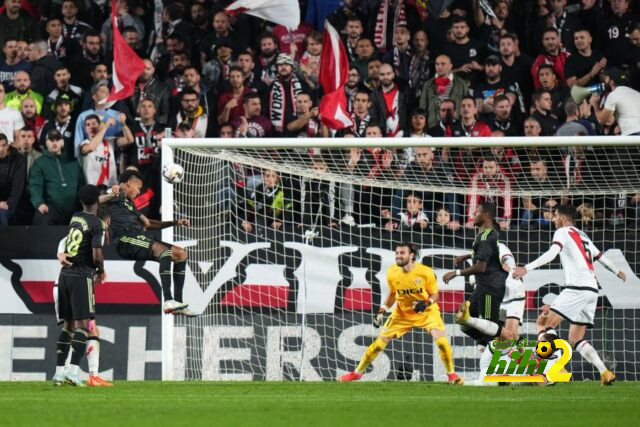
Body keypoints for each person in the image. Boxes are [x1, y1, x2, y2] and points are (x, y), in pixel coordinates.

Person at [513, 204, 627, 385]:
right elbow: (600, 257)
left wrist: (526, 268)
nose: (553, 219)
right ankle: (605, 372)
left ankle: (553, 368)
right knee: (575, 339)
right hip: (592, 290)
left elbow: (552, 253)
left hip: (577, 288)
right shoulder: (583, 235)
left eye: (555, 215)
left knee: (544, 323)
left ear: (564, 218)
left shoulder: (562, 232)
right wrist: (617, 271)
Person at [339, 242, 463, 384]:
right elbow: (393, 294)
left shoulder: (425, 272)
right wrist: (382, 310)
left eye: (402, 253)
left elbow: (435, 295)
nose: (398, 256)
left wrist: (426, 303)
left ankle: (452, 375)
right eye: (397, 253)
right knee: (379, 344)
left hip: (427, 312)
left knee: (441, 341)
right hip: (402, 313)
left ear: (411, 255)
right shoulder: (392, 272)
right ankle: (357, 373)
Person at [102, 170, 193, 315]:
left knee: (181, 253)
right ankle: (168, 301)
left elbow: (148, 223)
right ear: (129, 183)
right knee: (164, 252)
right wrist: (111, 194)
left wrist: (175, 222)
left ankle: (178, 303)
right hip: (124, 240)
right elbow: (94, 201)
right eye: (138, 187)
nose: (138, 192)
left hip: (138, 236)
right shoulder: (115, 193)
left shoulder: (129, 204)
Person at [51, 184, 106, 386]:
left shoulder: (75, 217)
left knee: (68, 326)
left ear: (81, 201)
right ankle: (73, 371)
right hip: (82, 276)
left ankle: (58, 373)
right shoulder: (97, 223)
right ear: (97, 200)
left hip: (64, 275)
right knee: (85, 326)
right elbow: (97, 254)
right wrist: (100, 270)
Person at [443, 202, 507, 348]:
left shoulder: (487, 236)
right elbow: (483, 254)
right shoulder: (482, 235)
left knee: (490, 327)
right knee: (462, 320)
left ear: (486, 215)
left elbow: (481, 267)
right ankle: (492, 345)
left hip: (490, 288)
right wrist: (465, 257)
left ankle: (509, 345)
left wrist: (456, 273)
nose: (473, 215)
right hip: (481, 288)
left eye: (477, 212)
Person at [30, 129, 85, 225]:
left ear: (62, 142)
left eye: (57, 140)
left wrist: (84, 204)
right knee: (41, 218)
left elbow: (82, 185)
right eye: (51, 140)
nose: (55, 143)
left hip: (75, 209)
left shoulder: (73, 162)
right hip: (51, 208)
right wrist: (39, 203)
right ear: (46, 143)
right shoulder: (39, 163)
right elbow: (34, 186)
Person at [590, 67, 640, 136]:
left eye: (606, 79)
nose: (604, 83)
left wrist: (595, 104)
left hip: (632, 135)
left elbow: (602, 120)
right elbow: (610, 119)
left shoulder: (614, 95)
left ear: (612, 82)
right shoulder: (637, 93)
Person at [0, 132, 25, 225]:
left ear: (8, 145)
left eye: (3, 145)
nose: (1, 149)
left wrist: (9, 203)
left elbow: (18, 184)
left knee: (1, 213)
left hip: (15, 202)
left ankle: (4, 239)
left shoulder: (19, 159)